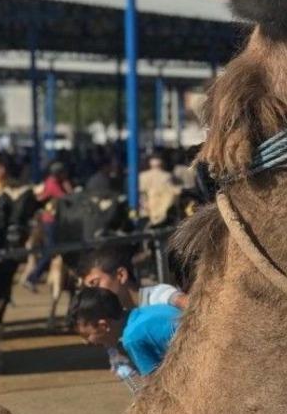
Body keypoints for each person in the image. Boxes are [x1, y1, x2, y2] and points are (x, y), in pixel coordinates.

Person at [68, 286, 181, 381]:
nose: (86, 342)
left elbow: (155, 388)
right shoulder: (151, 309)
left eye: (87, 336)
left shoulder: (131, 339)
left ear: (103, 326)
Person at [77, 246, 188, 310]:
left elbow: (191, 306)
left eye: (95, 283)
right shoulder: (113, 322)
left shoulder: (157, 297)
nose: (93, 293)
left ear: (121, 275)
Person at [24, 161, 73, 290]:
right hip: (49, 221)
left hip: (50, 220)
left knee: (52, 251)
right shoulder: (52, 183)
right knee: (51, 251)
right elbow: (66, 198)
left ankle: (34, 277)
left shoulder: (53, 182)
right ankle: (32, 277)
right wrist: (68, 187)